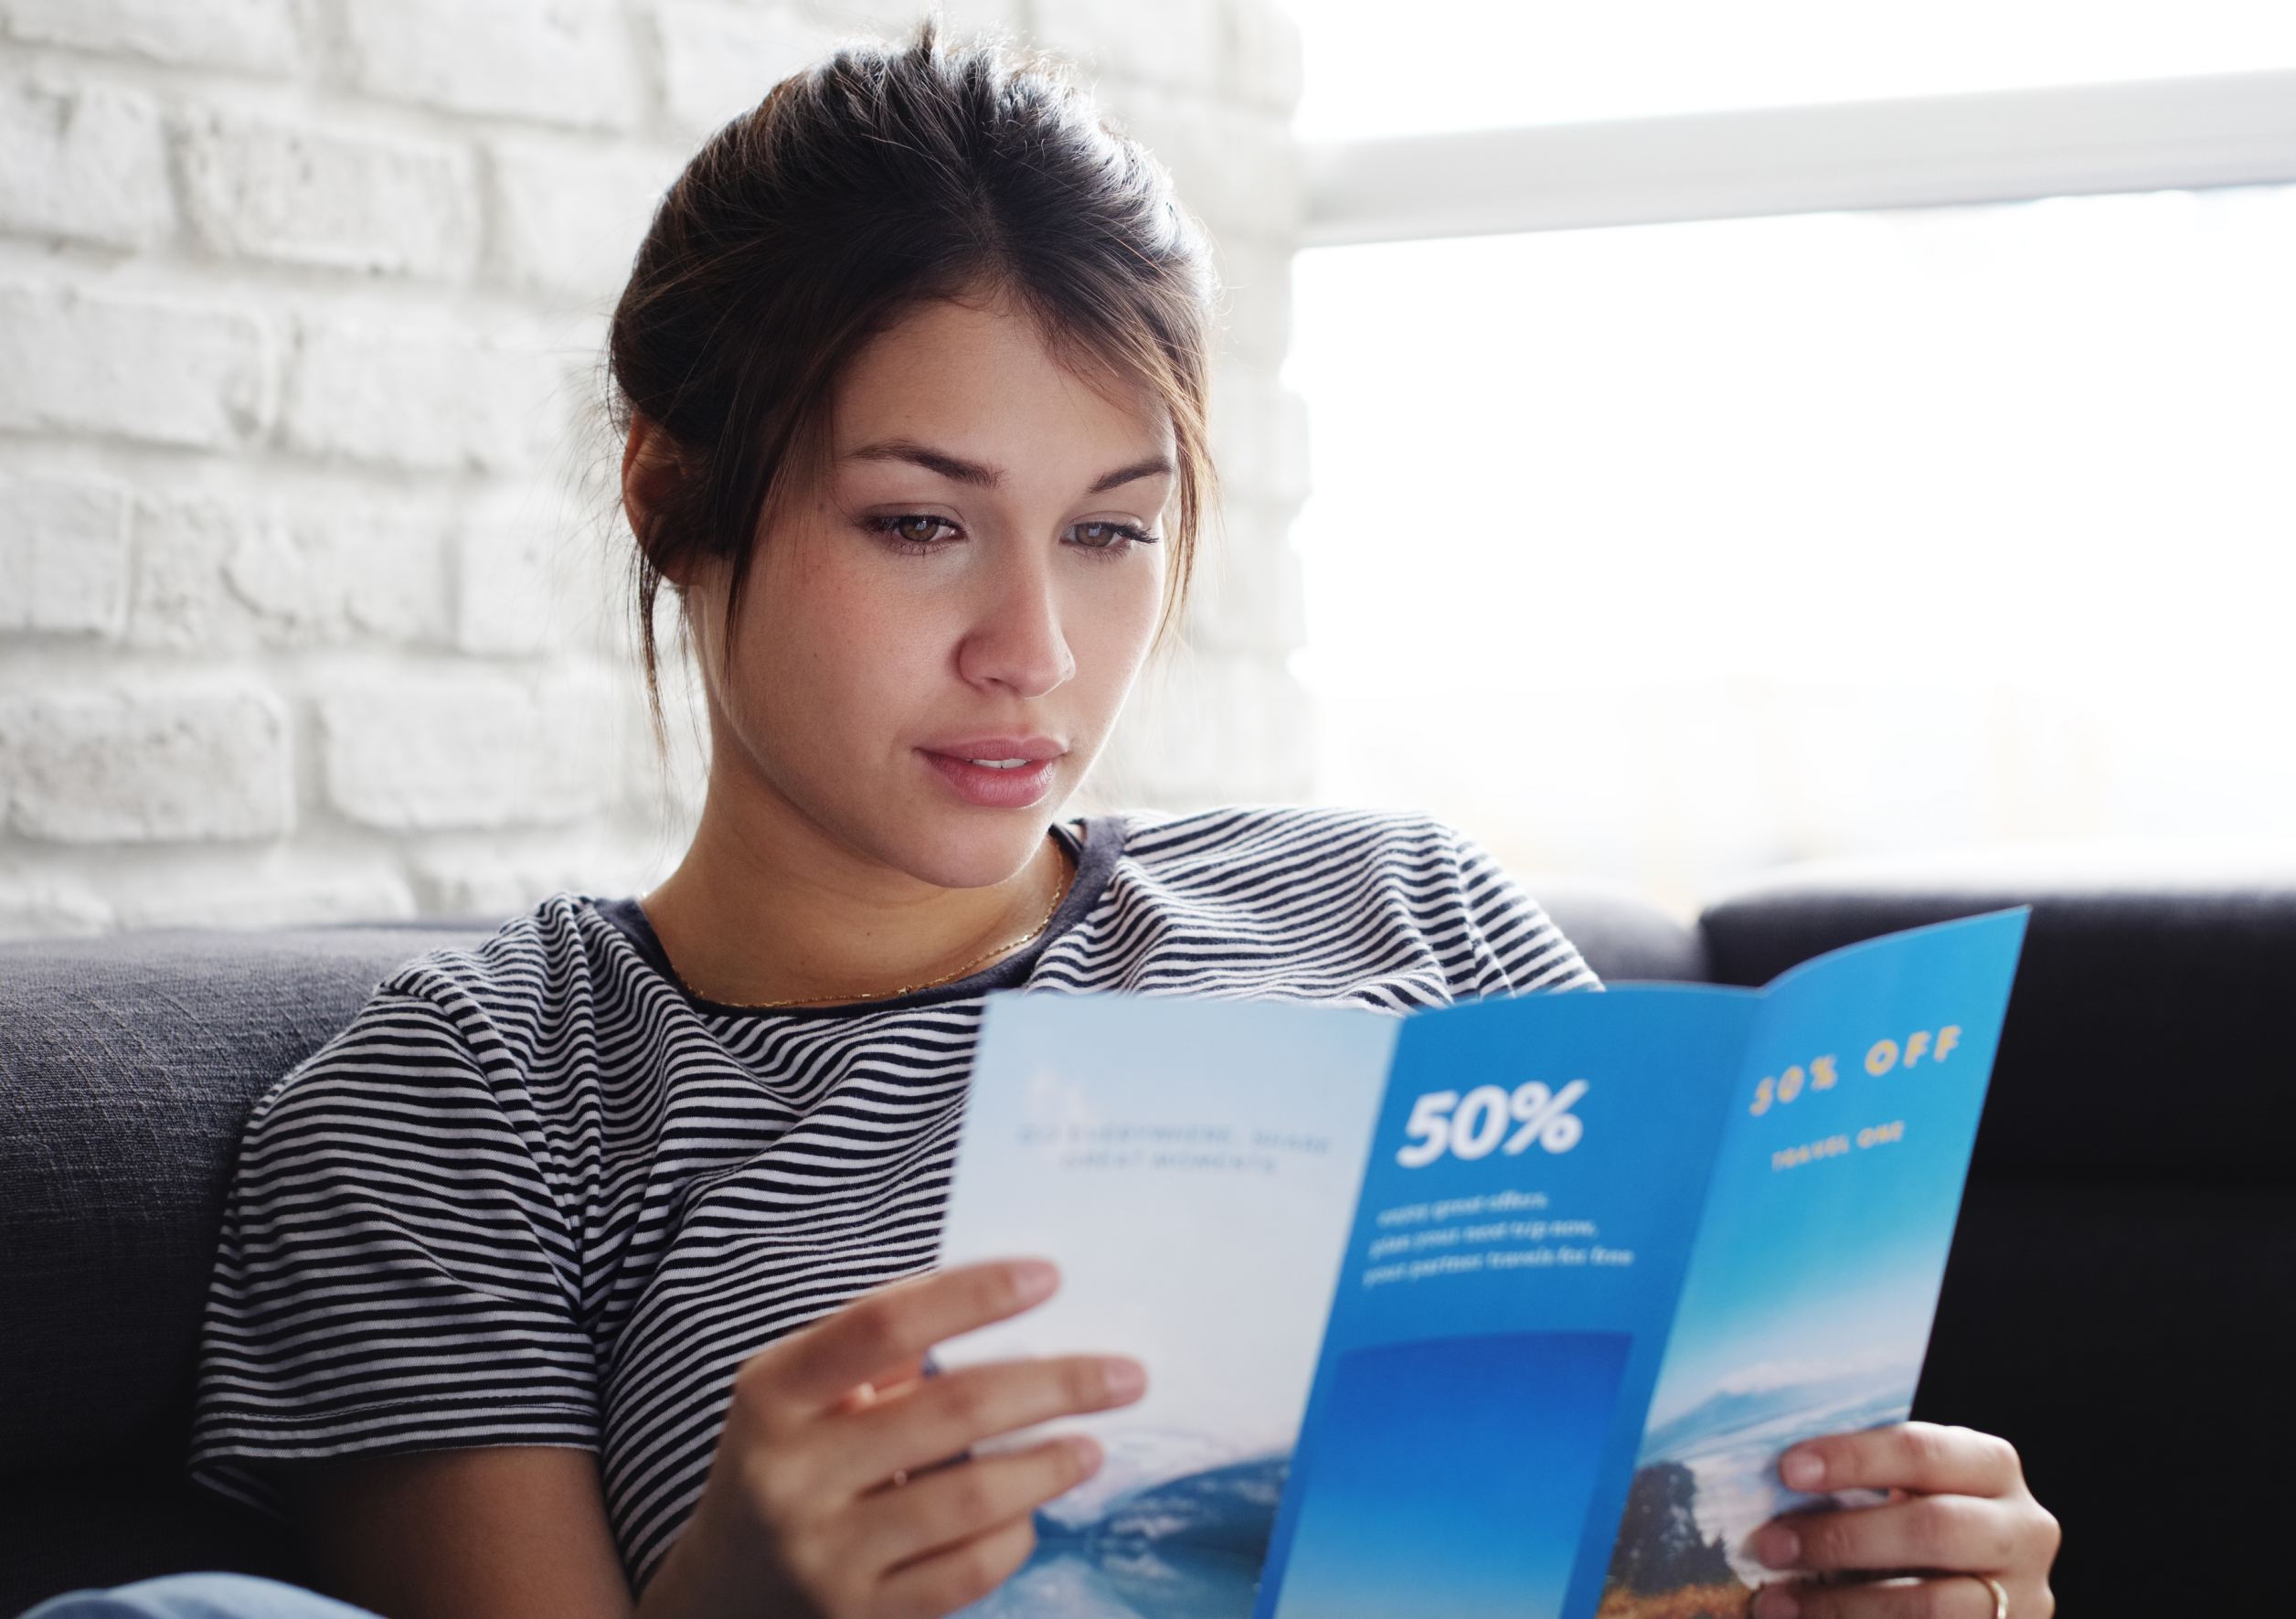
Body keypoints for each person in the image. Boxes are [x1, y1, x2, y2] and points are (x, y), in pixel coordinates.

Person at [22, 24, 2057, 1619]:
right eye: (919, 525)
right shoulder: (461, 1113)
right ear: (670, 497)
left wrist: (1879, 1563)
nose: (1034, 651)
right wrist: (742, 1600)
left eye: (1109, 535)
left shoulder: (1391, 897)